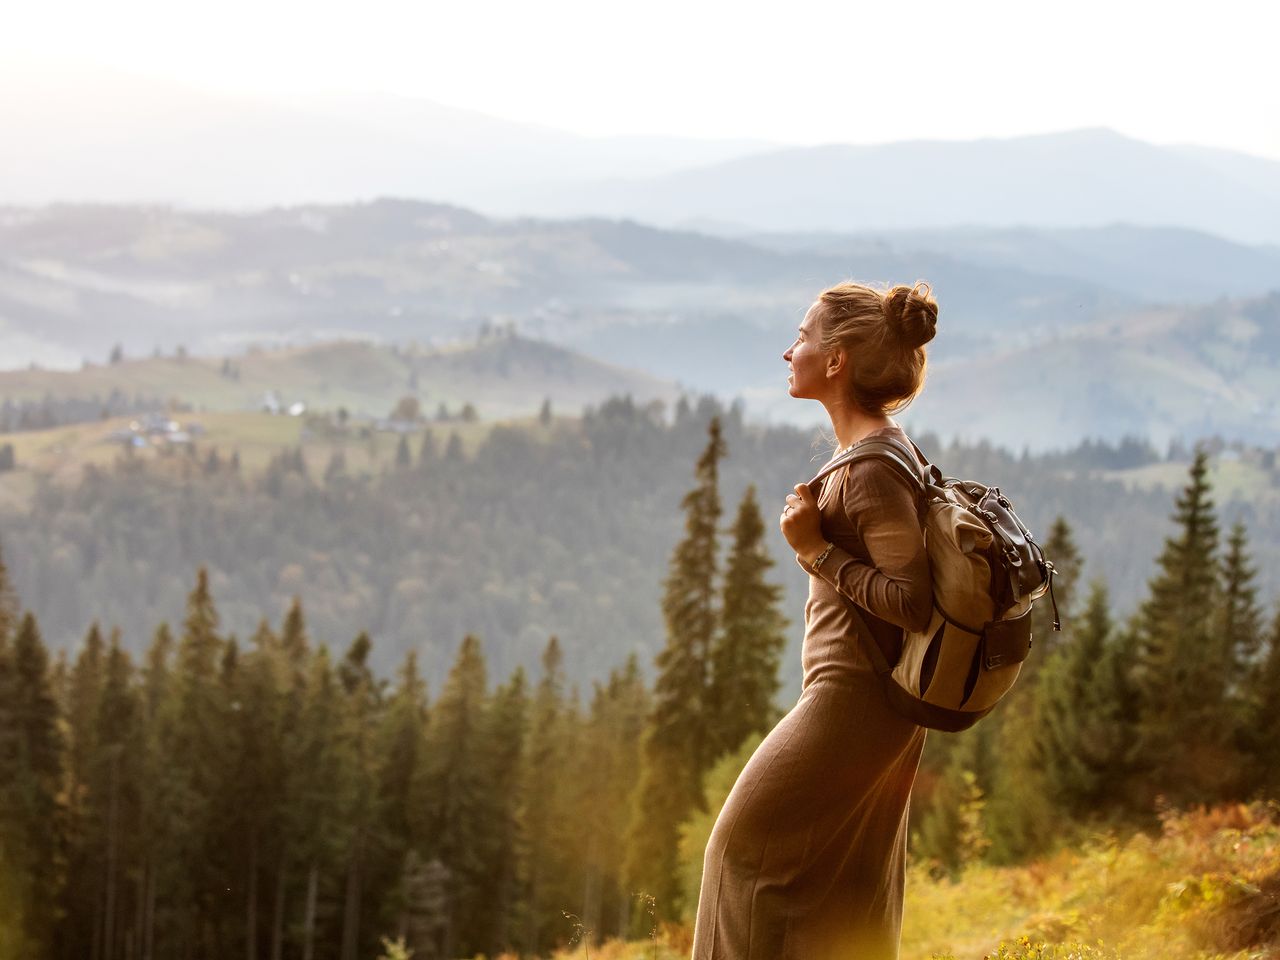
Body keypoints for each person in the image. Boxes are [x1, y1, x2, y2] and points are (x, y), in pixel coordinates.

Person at [690, 280, 938, 960]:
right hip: (872, 706)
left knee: (738, 853)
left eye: (801, 338)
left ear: (837, 362)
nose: (787, 351)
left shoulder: (873, 472)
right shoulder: (879, 453)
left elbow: (912, 600)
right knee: (842, 892)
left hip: (851, 702)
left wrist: (815, 552)